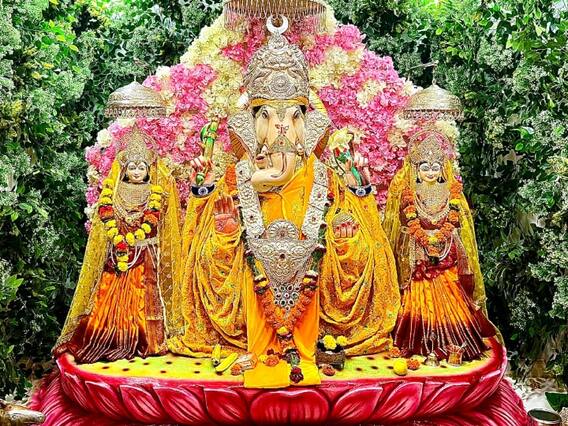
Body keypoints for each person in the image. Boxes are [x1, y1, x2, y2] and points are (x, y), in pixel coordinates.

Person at [168, 17, 400, 388]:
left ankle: (305, 349)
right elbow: (205, 262)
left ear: (306, 124)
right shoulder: (236, 179)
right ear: (252, 124)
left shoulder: (325, 178)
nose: (280, 128)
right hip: (250, 303)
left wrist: (345, 241)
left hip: (314, 300)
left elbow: (365, 252)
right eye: (267, 116)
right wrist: (225, 234)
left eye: (292, 117)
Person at [53, 127, 181, 363]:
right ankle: (112, 337)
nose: (136, 172)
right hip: (119, 253)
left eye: (141, 167)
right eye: (132, 167)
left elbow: (163, 222)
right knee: (108, 298)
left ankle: (146, 339)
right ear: (124, 169)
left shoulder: (157, 192)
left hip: (146, 255)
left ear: (148, 169)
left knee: (146, 297)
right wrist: (120, 237)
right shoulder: (114, 191)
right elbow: (107, 217)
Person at [383, 127, 495, 361]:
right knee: (417, 294)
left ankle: (453, 344)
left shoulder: (451, 193)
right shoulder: (409, 193)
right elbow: (403, 221)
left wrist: (441, 237)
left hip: (446, 253)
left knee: (452, 292)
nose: (430, 172)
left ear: (443, 168)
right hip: (418, 254)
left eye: (435, 167)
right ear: (416, 169)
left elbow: (457, 222)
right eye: (425, 167)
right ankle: (418, 343)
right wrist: (420, 236)